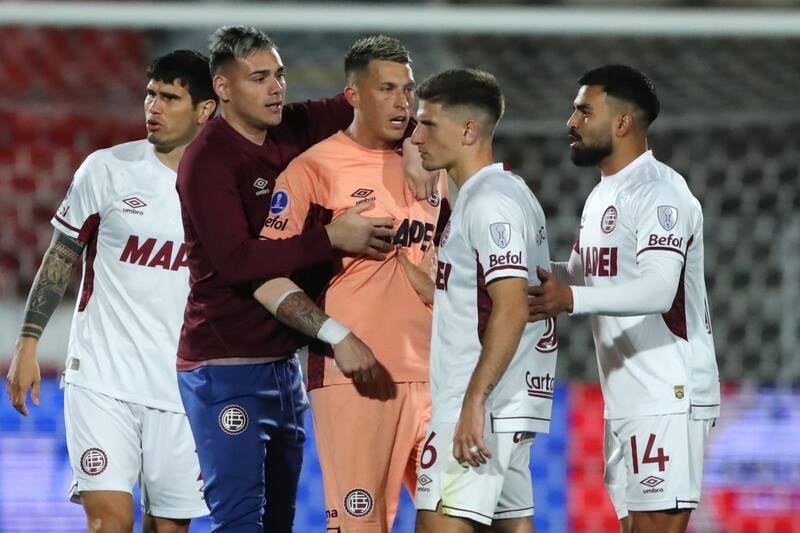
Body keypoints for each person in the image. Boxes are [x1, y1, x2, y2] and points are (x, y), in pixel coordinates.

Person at [175, 26, 433, 532]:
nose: (276, 88)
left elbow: (378, 102)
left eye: (279, 74)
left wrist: (417, 143)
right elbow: (238, 262)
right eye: (259, 78)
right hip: (226, 360)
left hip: (284, 360)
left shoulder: (291, 126)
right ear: (223, 88)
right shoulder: (208, 161)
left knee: (279, 523)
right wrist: (332, 239)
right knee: (242, 523)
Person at [6, 50, 216, 533]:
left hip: (182, 386)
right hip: (101, 376)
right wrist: (27, 342)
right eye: (150, 94)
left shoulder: (229, 189)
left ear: (205, 109)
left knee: (169, 527)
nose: (153, 107)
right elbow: (61, 257)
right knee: (110, 522)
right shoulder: (107, 170)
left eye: (169, 97)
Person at [255, 35, 449, 532]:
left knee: (461, 521)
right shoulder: (312, 171)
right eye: (387, 89)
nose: (403, 102)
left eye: (408, 90)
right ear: (353, 95)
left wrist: (417, 146)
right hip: (357, 380)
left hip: (439, 377)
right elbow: (264, 274)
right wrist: (333, 336)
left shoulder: (433, 166)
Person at [527, 64, 720, 533]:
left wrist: (570, 299)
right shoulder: (602, 196)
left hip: (667, 391)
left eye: (583, 111)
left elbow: (659, 288)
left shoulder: (659, 192)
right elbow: (578, 276)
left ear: (622, 122)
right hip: (628, 393)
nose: (570, 123)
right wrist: (503, 270)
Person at [409, 68, 558, 533]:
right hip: (506, 402)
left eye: (428, 123)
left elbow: (511, 306)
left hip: (479, 404)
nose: (415, 137)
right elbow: (478, 298)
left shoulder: (489, 204)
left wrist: (473, 402)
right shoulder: (504, 193)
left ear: (469, 130)